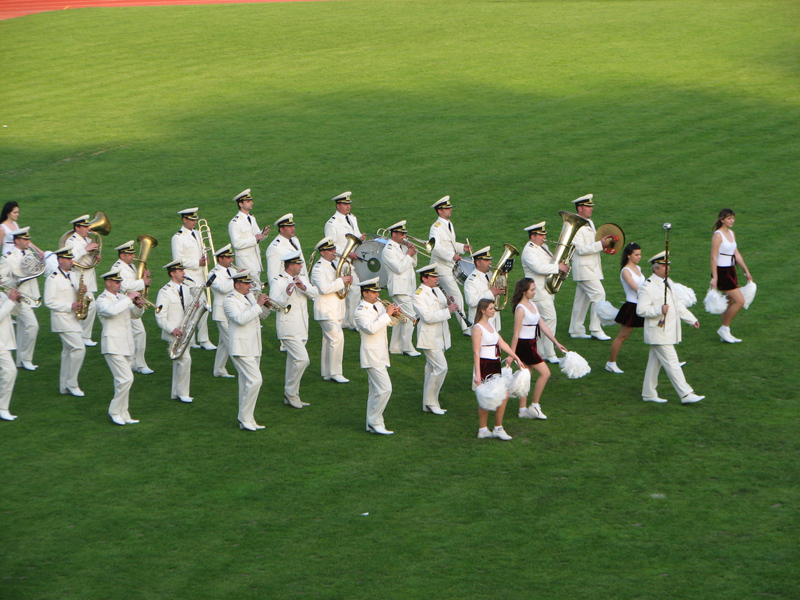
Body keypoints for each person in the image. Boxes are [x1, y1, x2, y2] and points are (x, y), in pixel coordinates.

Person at [636, 252, 705, 405]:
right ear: (655, 268)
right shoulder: (647, 287)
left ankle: (648, 393)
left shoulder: (669, 282)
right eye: (663, 266)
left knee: (654, 363)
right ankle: (686, 394)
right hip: (658, 332)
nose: (667, 268)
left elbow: (677, 304)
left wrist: (691, 319)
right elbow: (641, 310)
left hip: (666, 331)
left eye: (668, 265)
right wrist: (659, 309)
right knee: (673, 362)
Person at [509, 278, 568, 420]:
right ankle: (534, 405)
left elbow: (542, 325)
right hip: (524, 346)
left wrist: (556, 342)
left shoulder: (533, 305)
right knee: (545, 373)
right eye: (532, 290)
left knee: (526, 375)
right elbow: (516, 334)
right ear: (524, 292)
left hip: (532, 344)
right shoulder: (520, 309)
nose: (535, 292)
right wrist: (512, 354)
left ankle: (522, 410)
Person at [269, 250, 319, 408]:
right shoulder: (278, 281)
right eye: (298, 264)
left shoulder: (301, 278)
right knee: (303, 359)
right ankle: (290, 392)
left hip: (302, 326)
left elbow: (315, 294)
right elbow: (273, 305)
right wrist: (286, 294)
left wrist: (303, 287)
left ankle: (292, 396)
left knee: (293, 362)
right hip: (288, 328)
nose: (301, 266)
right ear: (291, 266)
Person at [96, 268, 144, 425]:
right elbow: (111, 311)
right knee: (126, 379)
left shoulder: (123, 298)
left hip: (127, 344)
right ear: (108, 283)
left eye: (120, 282)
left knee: (121, 382)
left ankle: (124, 412)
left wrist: (138, 306)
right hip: (112, 345)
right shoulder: (102, 300)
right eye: (116, 282)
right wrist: (129, 299)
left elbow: (135, 316)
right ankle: (114, 411)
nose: (119, 284)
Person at [224, 270, 270, 431]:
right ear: (237, 285)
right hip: (241, 347)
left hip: (254, 346)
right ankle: (243, 417)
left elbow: (261, 316)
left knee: (245, 384)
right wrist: (257, 305)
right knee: (256, 380)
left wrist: (266, 306)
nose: (250, 286)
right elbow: (240, 319)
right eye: (246, 284)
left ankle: (248, 418)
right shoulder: (229, 300)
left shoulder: (249, 296)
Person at [473, 298, 523, 440]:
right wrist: (478, 374)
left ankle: (490, 428)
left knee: (498, 395)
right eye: (491, 308)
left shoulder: (491, 325)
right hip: (485, 365)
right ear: (483, 310)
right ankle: (491, 428)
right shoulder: (478, 328)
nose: (493, 310)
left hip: (495, 365)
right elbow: (476, 352)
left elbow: (502, 343)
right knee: (493, 396)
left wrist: (516, 357)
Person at [354, 277, 400, 435]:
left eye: (378, 292)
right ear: (365, 293)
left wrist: (394, 315)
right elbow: (371, 328)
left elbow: (390, 323)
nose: (377, 295)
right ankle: (374, 421)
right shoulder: (360, 312)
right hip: (372, 356)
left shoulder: (379, 305)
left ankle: (372, 423)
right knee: (385, 389)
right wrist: (387, 314)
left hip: (381, 354)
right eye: (374, 292)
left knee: (375, 391)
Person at [567, 194, 616, 341]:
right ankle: (596, 329)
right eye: (588, 207)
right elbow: (580, 249)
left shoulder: (589, 222)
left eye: (591, 206)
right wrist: (601, 244)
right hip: (584, 269)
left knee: (582, 299)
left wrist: (604, 243)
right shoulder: (574, 225)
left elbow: (591, 244)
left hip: (590, 268)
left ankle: (576, 329)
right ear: (579, 208)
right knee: (599, 295)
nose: (591, 209)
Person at [412, 265, 459, 415]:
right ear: (424, 278)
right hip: (430, 338)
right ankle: (431, 402)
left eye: (436, 276)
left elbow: (440, 306)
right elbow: (427, 317)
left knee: (431, 369)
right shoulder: (418, 295)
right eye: (433, 277)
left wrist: (448, 303)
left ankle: (427, 404)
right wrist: (448, 310)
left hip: (441, 335)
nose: (436, 279)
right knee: (441, 368)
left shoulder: (437, 289)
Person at [521, 221, 568, 363]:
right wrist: (557, 268)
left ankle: (541, 352)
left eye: (544, 235)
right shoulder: (528, 251)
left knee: (542, 323)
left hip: (546, 290)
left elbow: (551, 262)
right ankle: (550, 353)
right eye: (541, 235)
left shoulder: (544, 247)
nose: (544, 237)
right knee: (550, 320)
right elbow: (539, 268)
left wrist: (561, 266)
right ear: (533, 236)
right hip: (538, 292)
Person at [43, 247, 87, 397]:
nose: (71, 261)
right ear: (60, 260)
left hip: (73, 319)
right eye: (68, 259)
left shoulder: (73, 275)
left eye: (71, 258)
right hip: (62, 320)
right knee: (79, 348)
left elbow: (75, 293)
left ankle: (64, 386)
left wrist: (83, 291)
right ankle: (72, 383)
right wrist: (70, 306)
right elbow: (49, 302)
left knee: (68, 353)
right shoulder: (52, 279)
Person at [171, 207, 215, 351]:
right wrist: (197, 263)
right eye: (191, 219)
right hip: (189, 278)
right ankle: (202, 339)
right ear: (184, 220)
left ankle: (194, 339)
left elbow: (201, 251)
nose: (194, 222)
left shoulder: (198, 233)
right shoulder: (178, 238)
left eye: (195, 219)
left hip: (201, 276)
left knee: (197, 309)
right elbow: (178, 260)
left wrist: (205, 258)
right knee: (198, 308)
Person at [310, 237, 352, 383]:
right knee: (337, 339)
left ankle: (327, 372)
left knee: (328, 341)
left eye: (333, 248)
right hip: (326, 310)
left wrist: (347, 281)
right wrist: (342, 281)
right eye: (330, 250)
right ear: (322, 252)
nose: (334, 251)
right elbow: (324, 288)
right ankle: (336, 372)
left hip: (336, 308)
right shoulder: (318, 268)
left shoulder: (335, 264)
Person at [428, 196, 472, 333]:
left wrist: (462, 247)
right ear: (439, 211)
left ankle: (434, 319)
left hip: (449, 266)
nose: (450, 210)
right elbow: (435, 246)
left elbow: (450, 244)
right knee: (456, 295)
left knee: (441, 297)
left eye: (450, 207)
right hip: (441, 268)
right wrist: (452, 255)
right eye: (447, 208)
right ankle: (466, 327)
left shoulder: (449, 224)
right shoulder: (436, 228)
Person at [324, 192, 367, 329]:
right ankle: (351, 321)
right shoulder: (332, 223)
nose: (348, 206)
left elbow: (356, 235)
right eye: (344, 204)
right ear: (338, 206)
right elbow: (330, 245)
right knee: (350, 290)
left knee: (354, 290)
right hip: (341, 261)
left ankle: (349, 320)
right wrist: (348, 253)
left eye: (349, 204)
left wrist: (361, 238)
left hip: (354, 259)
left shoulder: (352, 218)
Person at [0, 227, 41, 371]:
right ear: (17, 241)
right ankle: (26, 359)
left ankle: (20, 360)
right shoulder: (8, 258)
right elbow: (1, 278)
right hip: (19, 298)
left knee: (23, 328)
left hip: (31, 295)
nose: (28, 242)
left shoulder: (30, 253)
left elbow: (37, 270)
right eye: (25, 239)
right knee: (32, 326)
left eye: (28, 239)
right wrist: (14, 282)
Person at [710, 208, 753, 343]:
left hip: (731, 270)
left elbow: (736, 254)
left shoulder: (731, 233)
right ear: (722, 220)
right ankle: (724, 328)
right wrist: (715, 277)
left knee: (728, 302)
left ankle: (725, 333)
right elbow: (713, 257)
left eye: (733, 218)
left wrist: (746, 270)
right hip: (722, 272)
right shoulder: (718, 235)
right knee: (740, 301)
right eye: (729, 218)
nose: (732, 221)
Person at [111, 240, 154, 375]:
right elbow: (123, 286)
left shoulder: (132, 266)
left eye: (133, 253)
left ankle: (134, 363)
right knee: (139, 333)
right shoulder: (116, 268)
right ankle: (138, 365)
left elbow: (134, 282)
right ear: (122, 255)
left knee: (134, 334)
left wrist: (144, 278)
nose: (134, 256)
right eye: (130, 254)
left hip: (133, 303)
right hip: (125, 304)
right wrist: (142, 282)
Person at [155, 260, 195, 403]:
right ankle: (183, 393)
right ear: (172, 273)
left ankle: (175, 393)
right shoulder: (164, 292)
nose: (184, 273)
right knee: (185, 360)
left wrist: (194, 305)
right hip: (174, 333)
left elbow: (186, 307)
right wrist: (172, 329)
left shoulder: (185, 288)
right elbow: (160, 316)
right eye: (180, 271)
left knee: (179, 362)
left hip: (185, 331)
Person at [382, 220, 420, 357]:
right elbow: (398, 268)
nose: (404, 237)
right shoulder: (388, 250)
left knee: (399, 318)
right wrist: (408, 254)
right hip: (399, 288)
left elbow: (413, 264)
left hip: (407, 287)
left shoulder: (402, 247)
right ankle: (407, 347)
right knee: (410, 316)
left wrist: (413, 252)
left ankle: (395, 347)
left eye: (405, 234)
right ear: (394, 234)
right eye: (402, 234)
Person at [606, 243, 645, 374]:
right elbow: (636, 289)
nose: (639, 257)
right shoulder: (625, 271)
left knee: (657, 332)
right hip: (632, 307)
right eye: (636, 255)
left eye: (640, 254)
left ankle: (669, 360)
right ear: (628, 255)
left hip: (643, 305)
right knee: (622, 336)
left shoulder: (638, 268)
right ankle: (611, 363)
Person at [63, 214, 100, 346]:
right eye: (85, 226)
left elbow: (89, 260)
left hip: (89, 277)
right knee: (88, 306)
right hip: (78, 277)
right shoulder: (70, 241)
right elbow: (70, 260)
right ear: (77, 228)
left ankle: (81, 335)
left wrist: (96, 257)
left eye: (88, 226)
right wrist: (85, 250)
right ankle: (83, 336)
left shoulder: (88, 239)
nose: (88, 228)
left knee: (87, 307)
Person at [228, 189, 269, 284]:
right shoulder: (235, 222)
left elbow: (257, 236)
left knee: (257, 288)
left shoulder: (252, 218)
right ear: (240, 204)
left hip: (255, 260)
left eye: (251, 201)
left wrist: (264, 234)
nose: (251, 203)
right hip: (245, 262)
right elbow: (236, 244)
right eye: (248, 201)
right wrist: (255, 238)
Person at [209, 244, 237, 378]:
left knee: (223, 343)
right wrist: (238, 280)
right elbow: (222, 288)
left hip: (233, 309)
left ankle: (219, 370)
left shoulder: (232, 271)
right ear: (220, 259)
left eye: (231, 257)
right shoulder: (213, 273)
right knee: (231, 341)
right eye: (228, 258)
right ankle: (243, 369)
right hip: (221, 312)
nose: (232, 260)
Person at [464, 246, 502, 331]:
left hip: (493, 319)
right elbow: (471, 301)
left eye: (490, 260)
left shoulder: (490, 274)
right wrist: (491, 293)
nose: (490, 262)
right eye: (486, 260)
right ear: (478, 263)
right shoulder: (471, 281)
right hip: (480, 322)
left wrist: (502, 277)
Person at [0, 280, 21, 421]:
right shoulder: (5, 297)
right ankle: (2, 408)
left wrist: (17, 302)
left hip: (6, 340)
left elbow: (16, 313)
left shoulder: (2, 295)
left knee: (7, 372)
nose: (1, 281)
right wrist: (10, 300)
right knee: (10, 371)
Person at [266, 213, 307, 282]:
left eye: (293, 226)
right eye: (289, 227)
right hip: (288, 285)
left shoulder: (295, 240)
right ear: (281, 229)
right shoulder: (275, 248)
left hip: (301, 283)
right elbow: (273, 276)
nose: (293, 228)